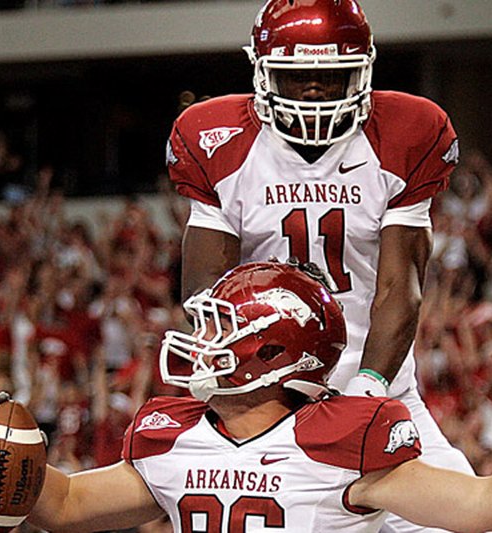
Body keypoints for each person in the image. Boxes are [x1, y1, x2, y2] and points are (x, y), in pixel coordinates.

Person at [0, 261, 492, 533]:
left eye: (221, 331)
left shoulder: (340, 438)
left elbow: (478, 507)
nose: (200, 344)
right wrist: (4, 462)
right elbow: (66, 504)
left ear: (276, 355)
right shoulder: (171, 432)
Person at [165, 2, 470, 530]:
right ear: (262, 72)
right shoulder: (216, 139)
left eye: (331, 75)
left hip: (378, 393)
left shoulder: (404, 133)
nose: (314, 90)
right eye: (297, 75)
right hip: (267, 405)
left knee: (468, 520)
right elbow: (205, 295)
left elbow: (401, 287)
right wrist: (250, 403)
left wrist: (366, 395)